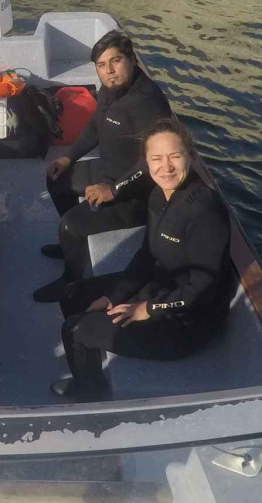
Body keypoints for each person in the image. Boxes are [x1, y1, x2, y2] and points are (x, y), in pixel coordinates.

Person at [52, 119, 236, 401]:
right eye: (156, 158)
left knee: (74, 330)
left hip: (184, 323)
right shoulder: (158, 194)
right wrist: (113, 297)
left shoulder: (205, 211)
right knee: (72, 295)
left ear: (191, 156)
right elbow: (147, 254)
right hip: (159, 287)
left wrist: (146, 309)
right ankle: (93, 354)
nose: (166, 167)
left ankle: (90, 391)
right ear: (146, 161)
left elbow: (203, 288)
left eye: (175, 156)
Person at [35, 30, 173, 304]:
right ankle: (70, 248)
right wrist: (68, 158)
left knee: (70, 226)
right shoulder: (110, 90)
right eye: (101, 65)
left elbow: (154, 161)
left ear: (132, 60)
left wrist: (113, 189)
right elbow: (95, 127)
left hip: (136, 195)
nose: (109, 71)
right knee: (56, 179)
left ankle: (71, 282)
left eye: (116, 61)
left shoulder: (147, 102)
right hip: (110, 171)